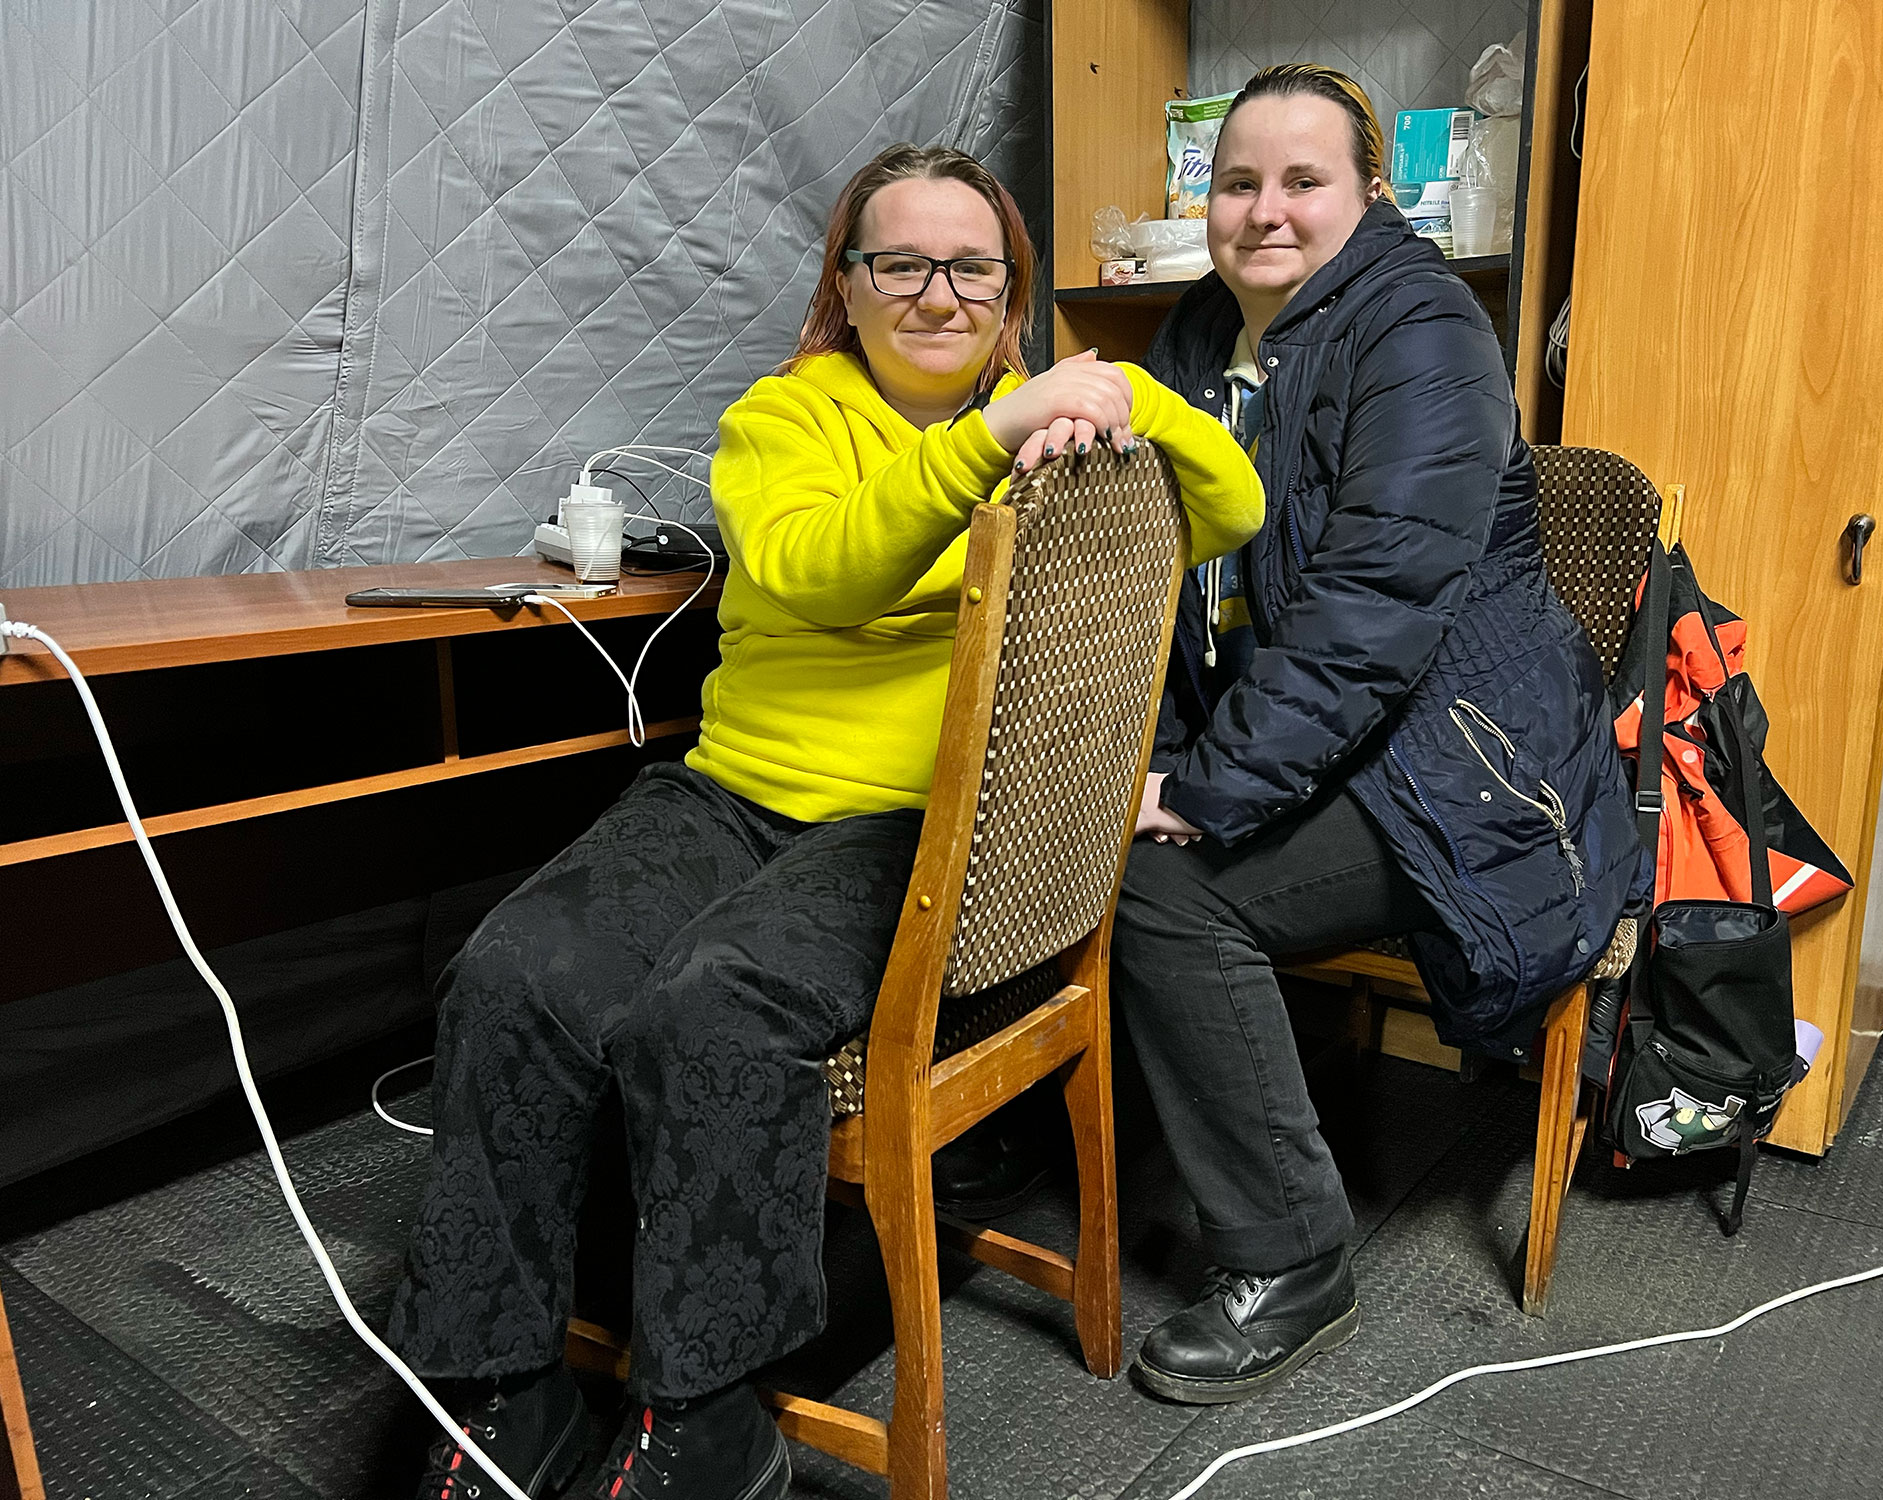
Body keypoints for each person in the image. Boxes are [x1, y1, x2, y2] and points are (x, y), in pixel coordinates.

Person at [388, 143, 1264, 1499]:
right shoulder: (781, 421)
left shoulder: (1058, 408)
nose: (936, 292)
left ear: (1011, 291)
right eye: (898, 262)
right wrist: (988, 439)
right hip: (732, 790)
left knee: (712, 1010)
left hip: (914, 825)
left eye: (971, 266)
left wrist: (1122, 392)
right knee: (513, 974)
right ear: (844, 289)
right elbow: (820, 575)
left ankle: (710, 1416)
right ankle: (504, 1388)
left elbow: (1234, 504)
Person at [1114, 65, 1643, 1405]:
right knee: (1079, 833)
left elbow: (1373, 610)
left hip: (1470, 766)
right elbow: (1182, 594)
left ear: (1372, 196)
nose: (1267, 210)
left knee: (1165, 892)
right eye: (1240, 183)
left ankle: (1293, 1258)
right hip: (1331, 741)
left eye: (1305, 182)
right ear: (1207, 198)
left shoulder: (1421, 334)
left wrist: (1207, 786)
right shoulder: (1191, 340)